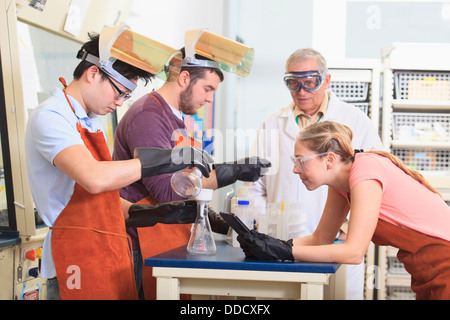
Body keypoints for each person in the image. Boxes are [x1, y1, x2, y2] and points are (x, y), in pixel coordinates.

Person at [25, 27, 214, 300]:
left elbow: (104, 199)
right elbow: (94, 178)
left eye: (126, 96)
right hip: (75, 256)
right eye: (120, 93)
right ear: (93, 74)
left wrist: (154, 214)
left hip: (108, 249)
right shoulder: (51, 116)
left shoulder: (89, 120)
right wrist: (166, 159)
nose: (120, 102)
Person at [113, 29, 270, 299]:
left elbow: (187, 175)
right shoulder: (149, 116)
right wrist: (229, 172)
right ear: (184, 78)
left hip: (164, 237)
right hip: (141, 242)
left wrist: (212, 217)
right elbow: (166, 190)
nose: (210, 98)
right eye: (207, 88)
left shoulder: (175, 118)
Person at [238, 120, 450, 300]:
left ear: (329, 159)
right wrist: (271, 243)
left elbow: (354, 252)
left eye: (301, 161)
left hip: (444, 262)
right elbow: (321, 238)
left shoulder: (366, 171)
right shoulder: (342, 184)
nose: (295, 169)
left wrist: (284, 252)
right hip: (425, 269)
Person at [246, 48, 384, 299]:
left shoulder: (355, 121)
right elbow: (253, 186)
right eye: (293, 84)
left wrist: (347, 230)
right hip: (285, 241)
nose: (301, 92)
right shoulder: (272, 124)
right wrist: (270, 231)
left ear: (326, 80)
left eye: (309, 83)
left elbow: (375, 182)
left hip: (338, 245)